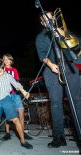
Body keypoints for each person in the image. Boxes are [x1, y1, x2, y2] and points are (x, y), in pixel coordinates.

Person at [35, 11, 81, 148]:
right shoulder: (41, 37)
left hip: (70, 68)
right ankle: (59, 136)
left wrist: (61, 35)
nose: (48, 20)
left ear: (54, 19)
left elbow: (78, 45)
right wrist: (50, 64)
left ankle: (79, 133)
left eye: (50, 17)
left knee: (76, 102)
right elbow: (42, 55)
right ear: (42, 22)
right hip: (52, 70)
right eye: (45, 19)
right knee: (55, 103)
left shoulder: (65, 31)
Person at [0, 51, 33, 149]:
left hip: (6, 100)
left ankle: (23, 141)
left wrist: (24, 92)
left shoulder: (8, 76)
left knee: (16, 120)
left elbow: (17, 85)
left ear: (3, 69)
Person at [1, 53, 32, 140]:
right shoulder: (2, 70)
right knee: (8, 114)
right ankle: (7, 133)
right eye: (4, 59)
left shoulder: (14, 70)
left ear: (11, 60)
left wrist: (23, 91)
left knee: (21, 112)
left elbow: (17, 82)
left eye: (8, 59)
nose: (6, 61)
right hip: (6, 95)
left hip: (16, 94)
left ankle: (22, 131)